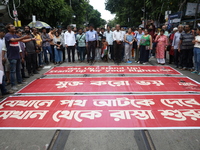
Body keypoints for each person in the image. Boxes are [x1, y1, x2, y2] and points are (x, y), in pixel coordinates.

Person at [4, 24, 30, 91]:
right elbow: (13, 40)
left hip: (17, 54)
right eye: (12, 27)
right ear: (8, 29)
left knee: (18, 69)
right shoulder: (8, 35)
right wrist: (23, 37)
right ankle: (13, 85)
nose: (14, 27)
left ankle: (20, 81)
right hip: (12, 56)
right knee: (13, 71)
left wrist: (31, 39)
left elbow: (22, 41)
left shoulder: (14, 34)